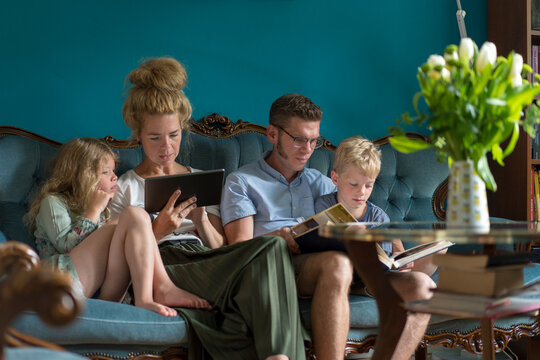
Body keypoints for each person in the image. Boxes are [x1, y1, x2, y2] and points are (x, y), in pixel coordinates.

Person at [109, 57, 308, 360]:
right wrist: (158, 231)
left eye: (174, 135)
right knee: (262, 264)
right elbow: (117, 260)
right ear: (138, 136)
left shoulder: (201, 180)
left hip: (207, 260)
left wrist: (201, 220)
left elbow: (220, 248)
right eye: (154, 137)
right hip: (166, 267)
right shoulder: (125, 187)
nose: (166, 147)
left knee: (272, 248)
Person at [220, 94, 432, 360]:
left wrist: (392, 250)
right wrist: (276, 237)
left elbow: (361, 212)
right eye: (299, 139)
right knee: (337, 263)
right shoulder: (242, 182)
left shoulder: (320, 182)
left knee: (422, 285)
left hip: (342, 268)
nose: (308, 149)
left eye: (314, 141)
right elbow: (237, 251)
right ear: (273, 134)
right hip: (275, 267)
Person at [25, 137, 210, 318]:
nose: (115, 177)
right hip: (61, 283)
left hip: (103, 291)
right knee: (133, 214)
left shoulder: (104, 208)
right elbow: (67, 246)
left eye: (114, 171)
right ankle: (157, 290)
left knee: (136, 215)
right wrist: (93, 211)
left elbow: (116, 251)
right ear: (83, 175)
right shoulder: (53, 202)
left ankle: (155, 290)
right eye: (106, 172)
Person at [316, 135, 444, 277]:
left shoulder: (379, 216)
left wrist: (400, 257)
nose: (362, 192)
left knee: (437, 245)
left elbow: (395, 250)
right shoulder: (324, 205)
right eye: (353, 184)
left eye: (369, 185)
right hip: (345, 271)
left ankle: (407, 281)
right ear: (335, 178)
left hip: (381, 274)